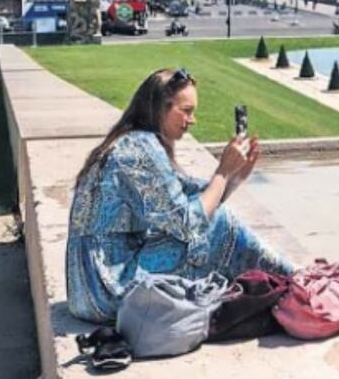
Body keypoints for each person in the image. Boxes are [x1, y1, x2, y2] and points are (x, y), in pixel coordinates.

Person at [66, 67, 294, 324]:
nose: (192, 120)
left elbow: (194, 200)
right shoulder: (138, 149)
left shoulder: (134, 142)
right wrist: (222, 172)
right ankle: (295, 282)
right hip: (107, 290)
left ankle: (286, 281)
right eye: (186, 111)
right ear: (159, 108)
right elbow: (189, 223)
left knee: (214, 222)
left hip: (88, 290)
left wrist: (235, 175)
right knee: (220, 224)